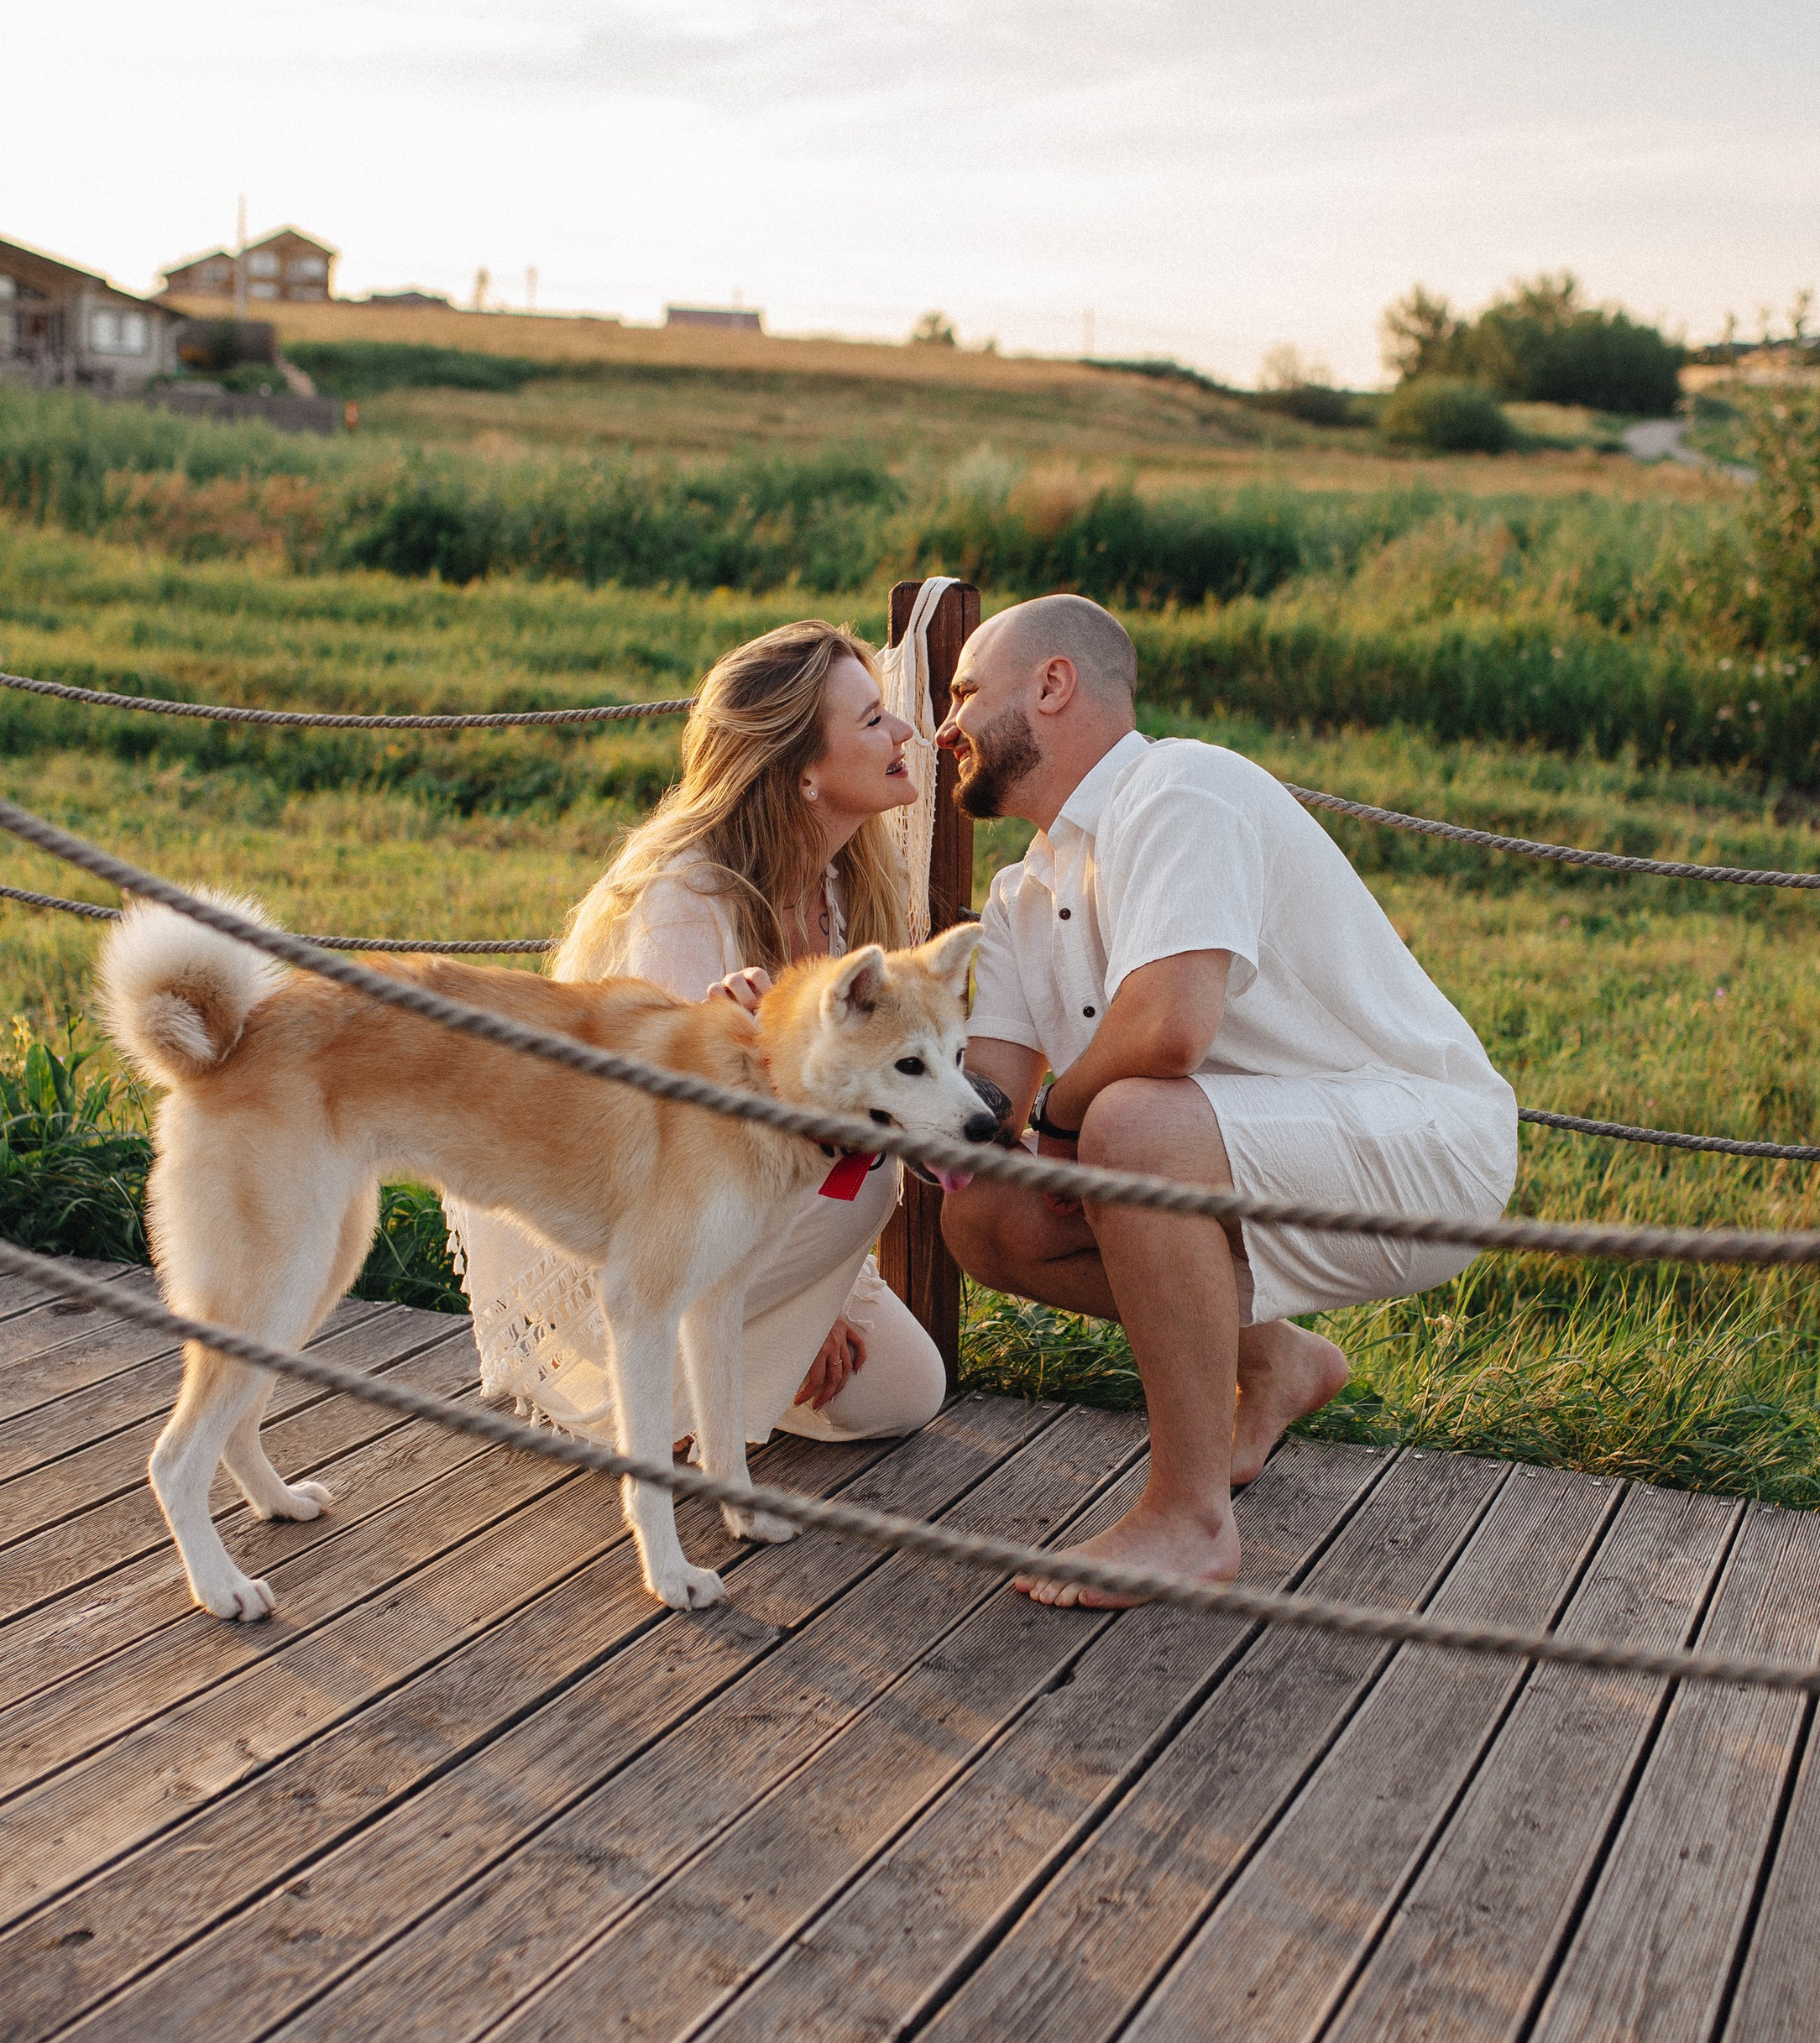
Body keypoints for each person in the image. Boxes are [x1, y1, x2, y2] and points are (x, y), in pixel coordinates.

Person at [937, 594, 1517, 1607]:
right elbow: (987, 1104)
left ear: (1052, 684)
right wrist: (850, 1074)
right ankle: (1276, 1362)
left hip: (1423, 1148)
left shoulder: (1181, 788)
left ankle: (1189, 1520)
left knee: (1127, 1122)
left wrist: (1065, 1122)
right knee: (985, 1215)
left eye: (964, 693)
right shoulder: (1022, 893)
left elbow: (1169, 1027)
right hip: (1237, 1157)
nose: (945, 727)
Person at [445, 619, 948, 1450]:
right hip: (618, 1220)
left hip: (746, 1208)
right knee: (866, 1178)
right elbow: (678, 1154)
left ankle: (718, 1375)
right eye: (870, 720)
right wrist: (797, 1295)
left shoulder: (846, 883)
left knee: (902, 1392)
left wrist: (816, 1292)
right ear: (803, 772)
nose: (901, 732)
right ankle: (654, 1403)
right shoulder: (687, 898)